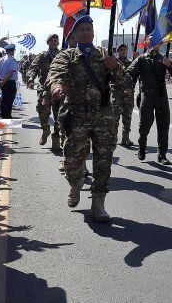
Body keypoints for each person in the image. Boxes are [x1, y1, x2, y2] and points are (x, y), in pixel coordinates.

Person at [47, 15, 124, 222]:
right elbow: (56, 73)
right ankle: (75, 185)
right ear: (74, 34)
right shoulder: (67, 56)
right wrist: (57, 87)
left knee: (103, 161)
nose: (86, 32)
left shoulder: (104, 55)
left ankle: (98, 202)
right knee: (72, 162)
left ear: (93, 32)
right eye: (81, 29)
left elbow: (122, 81)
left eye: (89, 28)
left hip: (103, 116)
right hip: (77, 115)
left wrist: (115, 67)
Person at [124, 44, 172, 163]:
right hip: (147, 95)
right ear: (147, 42)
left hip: (161, 95)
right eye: (151, 39)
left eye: (157, 40)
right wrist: (129, 86)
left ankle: (162, 155)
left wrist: (170, 66)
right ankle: (142, 147)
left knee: (163, 125)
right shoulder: (141, 58)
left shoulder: (163, 58)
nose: (155, 42)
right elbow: (130, 72)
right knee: (145, 125)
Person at [27, 34, 61, 152]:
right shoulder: (42, 55)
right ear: (48, 43)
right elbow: (33, 68)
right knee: (42, 111)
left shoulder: (62, 55)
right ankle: (46, 130)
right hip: (45, 89)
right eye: (51, 41)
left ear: (58, 42)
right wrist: (31, 79)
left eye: (55, 40)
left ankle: (56, 139)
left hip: (58, 89)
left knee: (59, 116)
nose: (53, 42)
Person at [113, 43, 134, 147]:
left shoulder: (131, 62)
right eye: (121, 50)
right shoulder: (114, 62)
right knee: (115, 117)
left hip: (128, 94)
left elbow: (134, 76)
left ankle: (125, 138)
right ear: (118, 51)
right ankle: (113, 138)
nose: (123, 51)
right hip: (116, 93)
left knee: (127, 117)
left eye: (124, 49)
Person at [0, 44, 19, 119]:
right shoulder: (12, 59)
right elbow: (10, 72)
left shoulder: (1, 59)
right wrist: (3, 81)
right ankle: (7, 116)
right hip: (9, 82)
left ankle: (3, 115)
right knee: (9, 100)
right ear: (12, 51)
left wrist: (0, 82)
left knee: (4, 99)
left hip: (2, 82)